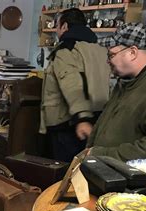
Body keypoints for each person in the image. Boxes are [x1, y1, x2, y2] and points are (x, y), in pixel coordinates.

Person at [87, 23, 146, 161]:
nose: (107, 60)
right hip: (106, 171)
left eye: (111, 55)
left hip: (129, 178)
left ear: (132, 53)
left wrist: (102, 155)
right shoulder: (128, 79)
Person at [39, 8, 111, 162]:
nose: (57, 30)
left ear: (64, 26)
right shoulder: (101, 50)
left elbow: (72, 85)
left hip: (68, 123)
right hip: (96, 119)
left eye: (57, 26)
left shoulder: (67, 50)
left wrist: (81, 118)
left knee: (63, 172)